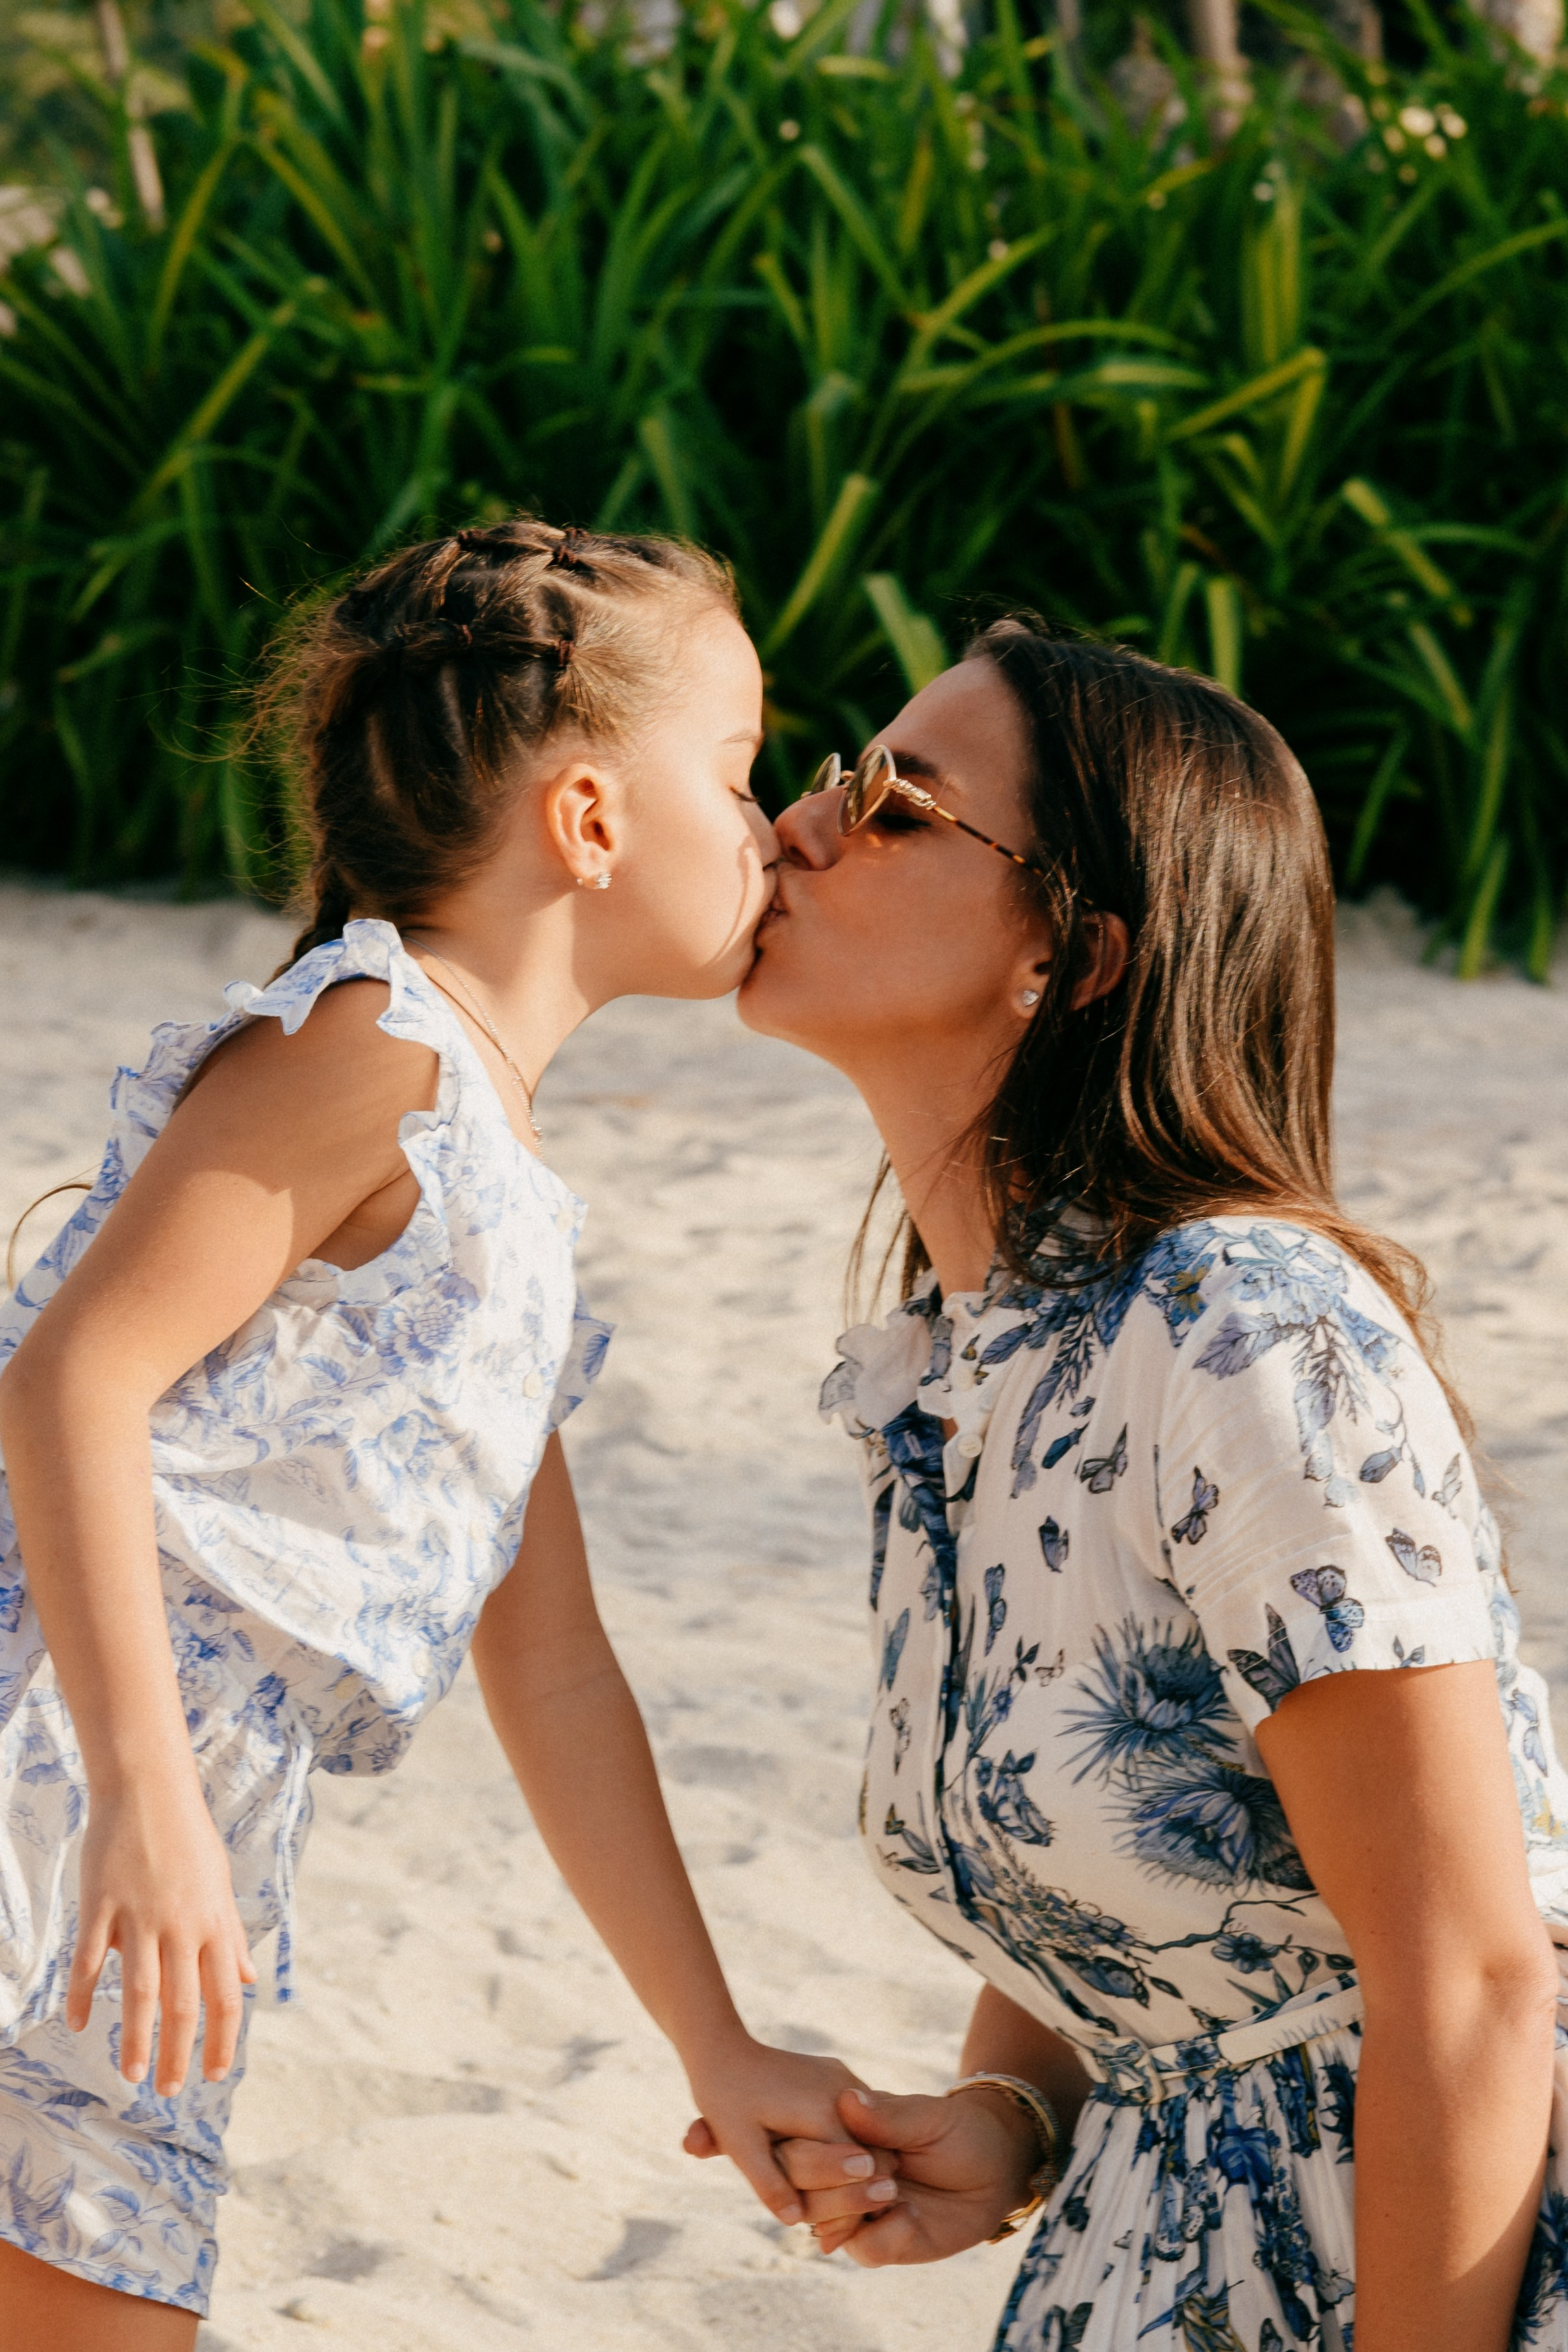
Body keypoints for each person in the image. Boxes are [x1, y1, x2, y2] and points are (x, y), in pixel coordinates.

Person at [0, 518, 860, 2347]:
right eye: (738, 768)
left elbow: (550, 1673)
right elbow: (72, 1381)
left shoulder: (503, 1185)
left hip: (165, 1855)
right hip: (63, 1779)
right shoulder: (370, 1046)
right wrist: (144, 1806)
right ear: (591, 820)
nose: (777, 823)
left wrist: (717, 2038)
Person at [703, 619, 1568, 2349]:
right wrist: (1012, 2115)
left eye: (890, 802)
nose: (796, 820)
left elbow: (1473, 1986)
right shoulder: (958, 1369)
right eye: (826, 774)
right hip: (1158, 2244)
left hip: (1432, 2257)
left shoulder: (1243, 1328)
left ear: (1077, 954)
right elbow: (1141, 1818)